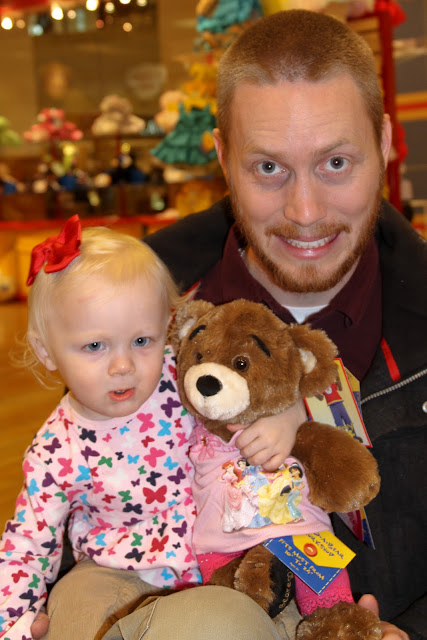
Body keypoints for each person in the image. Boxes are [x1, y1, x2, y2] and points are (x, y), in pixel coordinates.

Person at [140, 9, 426, 640]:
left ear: (384, 144)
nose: (304, 211)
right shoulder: (139, 326)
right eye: (269, 168)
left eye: (336, 163)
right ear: (223, 157)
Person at [1, 216, 293, 640]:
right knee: (77, 606)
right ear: (46, 351)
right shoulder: (54, 450)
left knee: (280, 611)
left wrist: (284, 417)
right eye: (95, 346)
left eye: (142, 341)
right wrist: (13, 620)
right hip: (115, 571)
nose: (123, 366)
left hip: (218, 552)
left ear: (168, 329)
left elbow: (256, 390)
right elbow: (28, 543)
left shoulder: (183, 377)